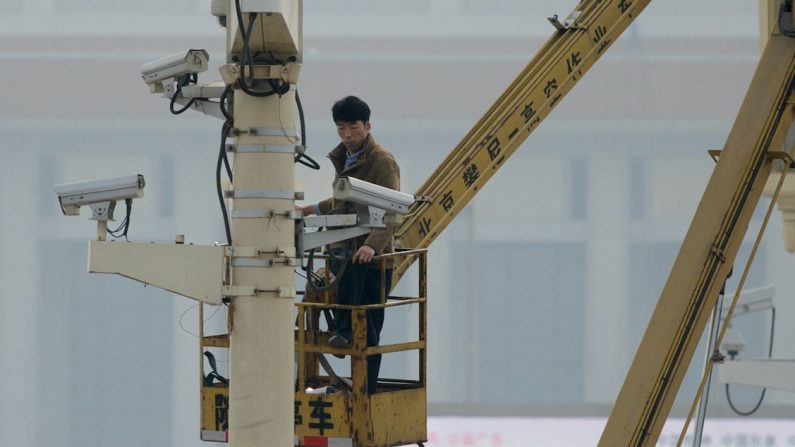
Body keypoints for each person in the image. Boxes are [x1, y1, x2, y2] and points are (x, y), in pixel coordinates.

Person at [297, 95, 401, 394]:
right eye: (341, 128)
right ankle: (339, 335)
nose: (347, 135)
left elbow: (392, 211)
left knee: (368, 330)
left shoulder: (381, 161)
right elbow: (344, 202)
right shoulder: (345, 156)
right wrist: (314, 209)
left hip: (371, 258)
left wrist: (372, 246)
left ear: (367, 125)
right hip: (342, 251)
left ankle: (364, 388)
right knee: (332, 298)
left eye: (353, 128)